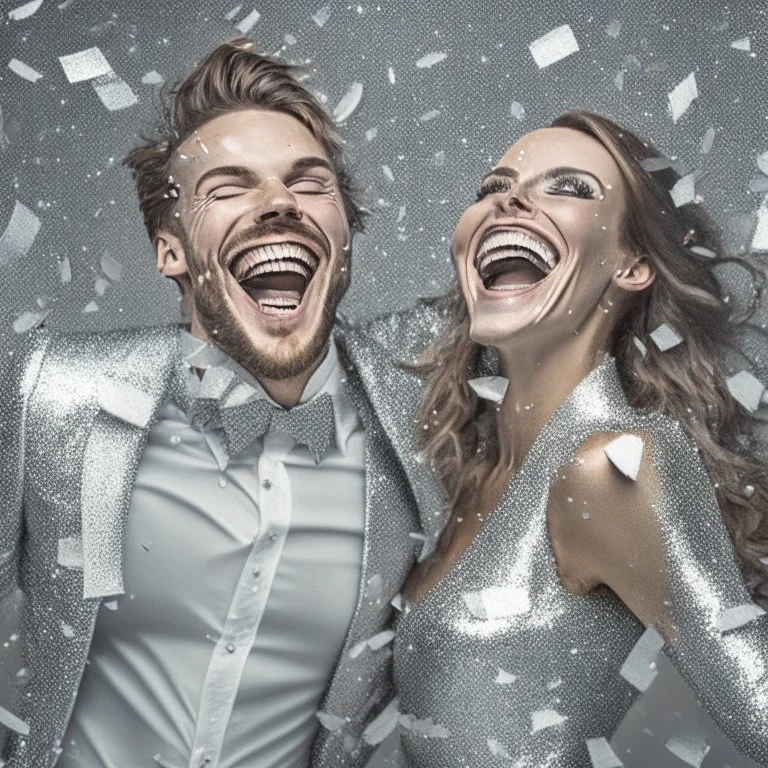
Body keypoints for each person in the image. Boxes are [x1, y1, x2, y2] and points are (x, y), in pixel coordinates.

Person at [0, 37, 434, 768]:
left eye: (309, 182)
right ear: (171, 251)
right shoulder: (53, 392)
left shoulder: (419, 406)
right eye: (229, 188)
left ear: (346, 236)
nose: (278, 205)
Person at [382, 111, 768, 765]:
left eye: (569, 187)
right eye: (493, 186)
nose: (509, 198)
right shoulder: (476, 473)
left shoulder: (613, 465)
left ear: (633, 265)